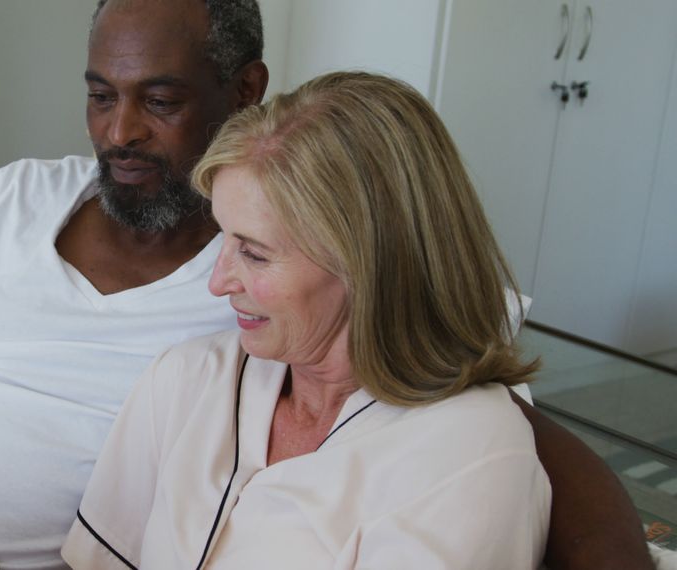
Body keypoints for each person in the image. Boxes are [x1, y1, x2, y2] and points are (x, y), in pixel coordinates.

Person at [0, 1, 654, 570]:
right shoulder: (28, 209)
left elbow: (504, 429)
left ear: (242, 92)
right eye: (101, 96)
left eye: (157, 99)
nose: (119, 133)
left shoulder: (316, 298)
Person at [62, 71, 546, 568]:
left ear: (368, 263)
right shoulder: (187, 379)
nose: (219, 282)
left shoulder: (468, 456)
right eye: (223, 239)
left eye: (253, 253)